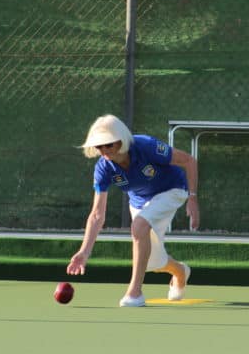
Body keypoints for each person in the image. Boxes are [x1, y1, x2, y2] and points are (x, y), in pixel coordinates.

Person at [66, 114, 200, 307]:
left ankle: (135, 292)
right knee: (153, 260)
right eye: (99, 146)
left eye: (109, 144)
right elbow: (97, 214)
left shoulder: (146, 146)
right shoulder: (103, 168)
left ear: (121, 140)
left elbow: (189, 161)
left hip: (172, 189)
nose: (104, 151)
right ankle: (180, 271)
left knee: (138, 226)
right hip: (139, 202)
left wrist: (193, 199)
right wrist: (84, 252)